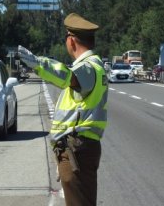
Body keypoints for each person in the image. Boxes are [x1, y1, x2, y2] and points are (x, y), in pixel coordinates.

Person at [18, 13, 108, 206]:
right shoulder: (96, 66)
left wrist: (39, 63)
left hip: (77, 148)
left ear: (71, 40)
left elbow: (68, 77)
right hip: (78, 147)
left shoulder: (88, 68)